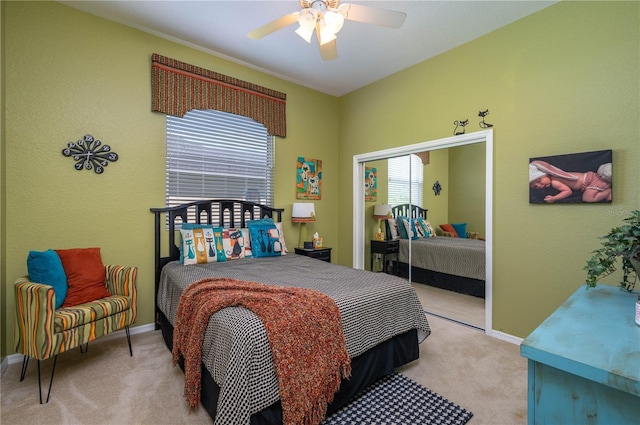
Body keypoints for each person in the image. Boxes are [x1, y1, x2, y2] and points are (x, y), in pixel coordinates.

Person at [529, 160, 612, 203]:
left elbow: (568, 192)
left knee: (587, 199)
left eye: (539, 180)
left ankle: (608, 192)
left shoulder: (555, 181)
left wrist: (554, 198)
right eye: (535, 186)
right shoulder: (556, 175)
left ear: (546, 174)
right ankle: (607, 194)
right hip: (592, 177)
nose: (539, 185)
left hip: (592, 181)